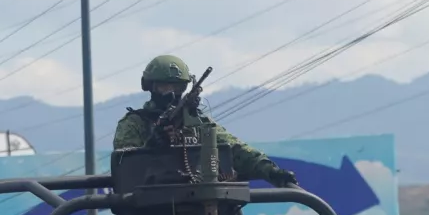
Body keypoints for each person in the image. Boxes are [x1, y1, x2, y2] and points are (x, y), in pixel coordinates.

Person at [113, 54, 297, 188]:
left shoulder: (198, 123)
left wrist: (271, 171)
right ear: (150, 87)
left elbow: (236, 149)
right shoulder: (133, 124)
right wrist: (153, 146)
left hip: (201, 211)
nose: (172, 93)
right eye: (165, 86)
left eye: (178, 87)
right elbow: (126, 169)